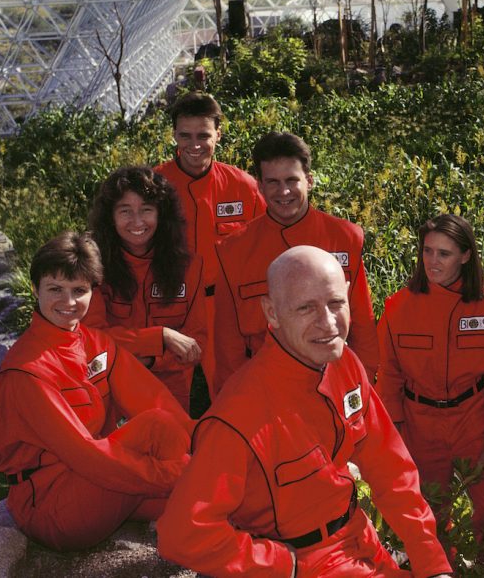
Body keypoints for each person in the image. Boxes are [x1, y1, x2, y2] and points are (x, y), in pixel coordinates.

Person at [157, 246, 453, 577]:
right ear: (271, 312)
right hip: (307, 563)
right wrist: (280, 564)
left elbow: (391, 468)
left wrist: (430, 561)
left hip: (360, 541)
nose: (328, 324)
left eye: (336, 303)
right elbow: (180, 534)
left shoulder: (344, 363)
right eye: (306, 308)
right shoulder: (238, 416)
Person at [0, 232, 193, 551]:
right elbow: (89, 457)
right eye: (55, 289)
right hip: (53, 507)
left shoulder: (97, 343)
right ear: (35, 288)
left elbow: (157, 402)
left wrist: (209, 450)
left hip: (98, 485)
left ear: (94, 292)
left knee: (166, 433)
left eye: (79, 290)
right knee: (191, 487)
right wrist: (176, 474)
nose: (68, 303)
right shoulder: (26, 371)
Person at [210, 131, 380, 395]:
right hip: (265, 389)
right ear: (260, 186)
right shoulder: (233, 250)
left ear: (309, 181)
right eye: (273, 182)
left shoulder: (344, 238)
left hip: (334, 382)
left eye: (292, 180)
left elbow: (363, 325)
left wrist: (361, 387)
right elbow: (227, 344)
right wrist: (239, 399)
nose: (284, 191)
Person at [376, 214, 484, 540]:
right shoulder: (398, 307)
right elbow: (388, 378)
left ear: (466, 256)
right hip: (419, 425)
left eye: (444, 254)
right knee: (427, 521)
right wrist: (397, 441)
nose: (432, 262)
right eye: (427, 251)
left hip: (474, 424)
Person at [155, 92, 265, 385]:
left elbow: (267, 246)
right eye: (185, 135)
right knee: (168, 398)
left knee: (233, 391)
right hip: (170, 304)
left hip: (225, 309)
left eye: (203, 135)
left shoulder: (243, 186)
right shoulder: (153, 186)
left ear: (218, 133)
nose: (194, 145)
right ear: (174, 135)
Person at [84, 166, 207, 413]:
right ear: (111, 216)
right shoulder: (92, 264)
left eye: (146, 210)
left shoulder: (190, 265)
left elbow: (197, 344)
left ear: (162, 214)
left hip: (171, 395)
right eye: (125, 211)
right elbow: (91, 338)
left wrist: (150, 359)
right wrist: (160, 337)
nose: (137, 222)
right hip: (112, 390)